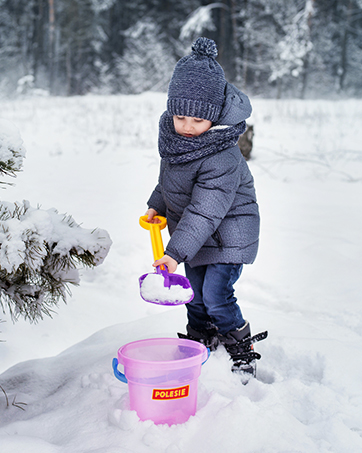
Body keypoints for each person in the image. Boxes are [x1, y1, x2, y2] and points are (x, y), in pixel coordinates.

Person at [145, 37, 267, 377]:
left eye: (197, 121)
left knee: (215, 293)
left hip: (228, 232)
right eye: (180, 116)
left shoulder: (222, 156)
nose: (187, 126)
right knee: (194, 294)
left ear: (213, 119)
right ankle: (201, 338)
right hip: (196, 234)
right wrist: (158, 206)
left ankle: (240, 346)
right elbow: (169, 180)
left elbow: (206, 210)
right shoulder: (177, 141)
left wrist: (174, 252)